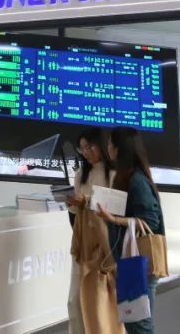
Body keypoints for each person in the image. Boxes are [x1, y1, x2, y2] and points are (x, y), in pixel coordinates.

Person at [98, 127, 164, 334]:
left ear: (119, 148)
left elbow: (150, 220)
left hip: (140, 263)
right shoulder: (126, 177)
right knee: (133, 322)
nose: (107, 147)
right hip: (130, 261)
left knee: (140, 324)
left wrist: (113, 219)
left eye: (110, 143)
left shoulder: (137, 180)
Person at [66, 127, 116, 334]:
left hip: (105, 241)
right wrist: (71, 202)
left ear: (102, 145)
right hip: (82, 241)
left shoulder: (113, 174)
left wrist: (86, 201)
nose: (86, 152)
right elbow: (75, 210)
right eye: (82, 148)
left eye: (89, 147)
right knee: (75, 300)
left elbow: (114, 207)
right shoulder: (81, 174)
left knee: (100, 301)